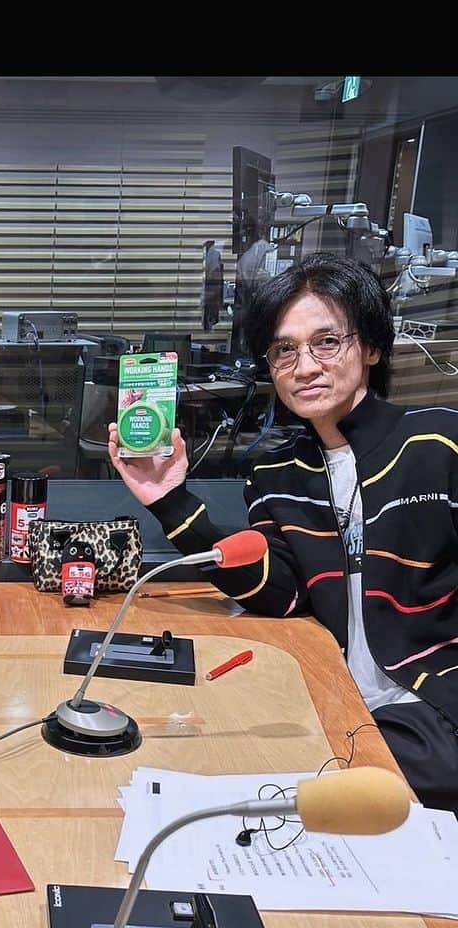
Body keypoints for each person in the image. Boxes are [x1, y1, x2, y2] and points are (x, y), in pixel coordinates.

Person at [108, 251, 458, 813]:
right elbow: (283, 594)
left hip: (434, 718)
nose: (306, 366)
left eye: (326, 342)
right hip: (336, 704)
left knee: (252, 788)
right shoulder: (275, 472)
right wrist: (168, 499)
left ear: (369, 347)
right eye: (285, 350)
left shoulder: (438, 445)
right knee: (187, 750)